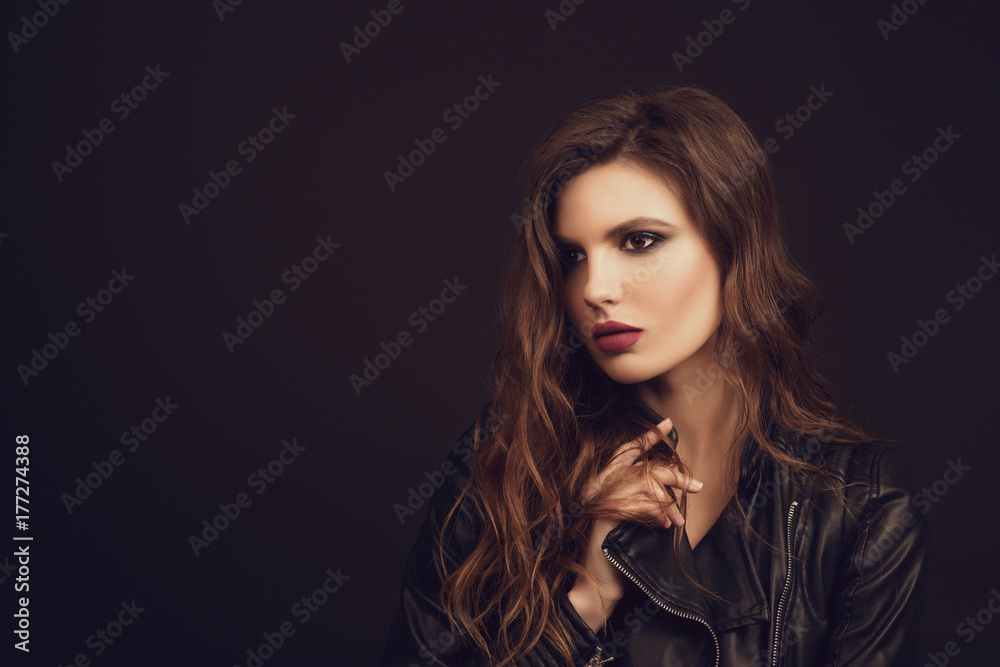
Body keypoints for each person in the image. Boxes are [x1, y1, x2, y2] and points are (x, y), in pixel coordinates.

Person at [379, 84, 927, 666]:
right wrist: (589, 592)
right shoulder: (504, 462)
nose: (594, 289)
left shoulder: (861, 503)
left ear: (732, 244)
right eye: (573, 256)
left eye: (639, 241)